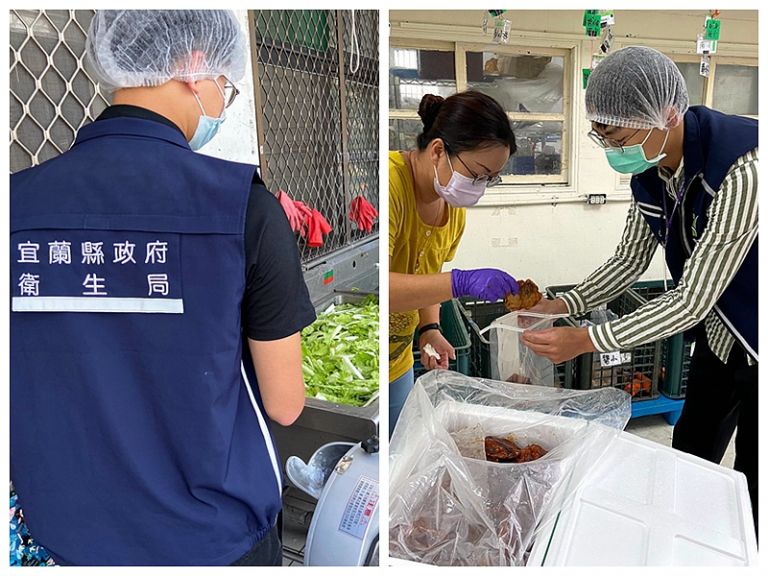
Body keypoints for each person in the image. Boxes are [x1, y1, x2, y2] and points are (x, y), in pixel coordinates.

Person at [10, 10, 316, 565]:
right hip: (208, 540)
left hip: (65, 536)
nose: (223, 102)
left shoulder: (15, 204)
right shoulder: (243, 209)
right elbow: (286, 403)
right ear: (195, 66)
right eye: (226, 85)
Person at [522, 46, 758, 533]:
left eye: (617, 135)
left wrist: (586, 338)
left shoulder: (743, 170)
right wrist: (564, 303)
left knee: (755, 480)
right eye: (601, 134)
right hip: (719, 338)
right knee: (691, 452)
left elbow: (692, 300)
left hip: (757, 333)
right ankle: (681, 540)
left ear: (667, 115)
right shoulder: (652, 169)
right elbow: (630, 258)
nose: (611, 148)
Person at [389, 91, 519, 435]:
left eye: (490, 178)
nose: (479, 187)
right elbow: (379, 291)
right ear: (437, 151)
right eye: (477, 173)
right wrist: (458, 283)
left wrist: (430, 329)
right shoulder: (390, 186)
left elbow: (429, 275)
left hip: (397, 360)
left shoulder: (452, 210)